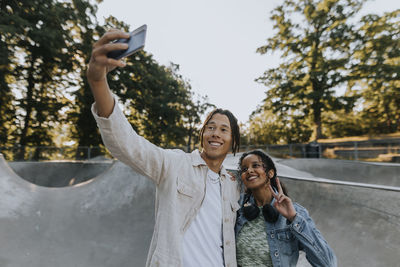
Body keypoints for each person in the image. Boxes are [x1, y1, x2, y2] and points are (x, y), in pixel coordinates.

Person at [87, 29, 241, 267]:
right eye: (210, 127)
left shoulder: (232, 185)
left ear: (232, 142)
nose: (215, 134)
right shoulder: (175, 164)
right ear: (202, 135)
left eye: (223, 130)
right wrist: (98, 81)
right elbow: (127, 144)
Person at [235, 150, 337, 267]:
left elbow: (328, 263)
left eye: (255, 165)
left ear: (270, 173)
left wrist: (294, 219)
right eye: (244, 169)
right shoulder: (237, 207)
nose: (249, 170)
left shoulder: (295, 212)